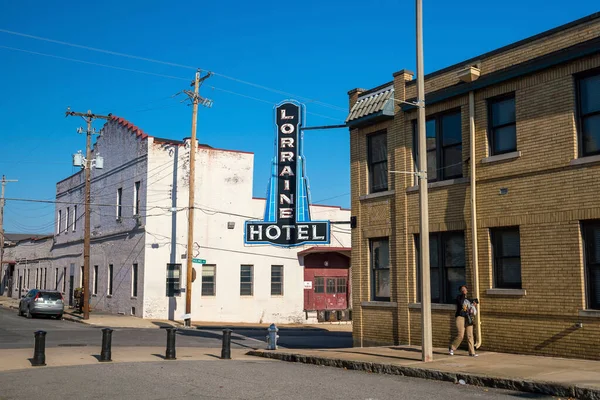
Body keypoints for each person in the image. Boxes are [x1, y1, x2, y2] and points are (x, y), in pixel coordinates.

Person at [449, 284, 479, 357]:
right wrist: (464, 295)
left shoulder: (468, 299)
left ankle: (472, 353)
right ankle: (452, 347)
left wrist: (475, 302)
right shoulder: (459, 298)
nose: (464, 290)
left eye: (465, 289)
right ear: (460, 291)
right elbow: (461, 303)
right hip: (460, 317)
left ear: (467, 290)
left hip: (468, 317)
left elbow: (476, 301)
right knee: (460, 335)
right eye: (462, 289)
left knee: (470, 335)